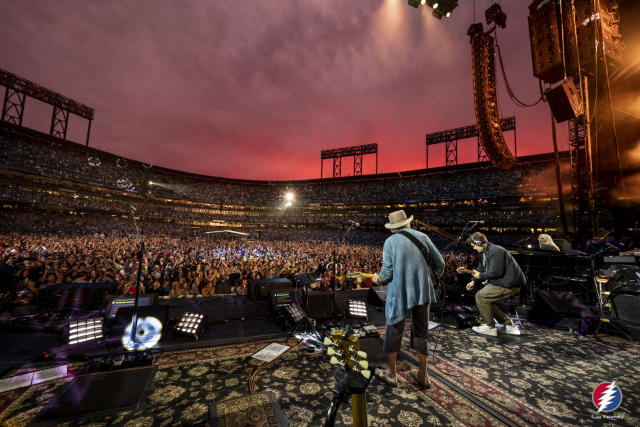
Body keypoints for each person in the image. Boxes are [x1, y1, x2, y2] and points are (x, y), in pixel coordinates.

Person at [373, 210, 444, 389]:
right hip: (422, 290)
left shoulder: (390, 242)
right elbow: (440, 265)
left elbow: (387, 272)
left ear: (393, 228)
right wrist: (425, 279)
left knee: (394, 328)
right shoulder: (423, 237)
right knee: (421, 331)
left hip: (399, 291)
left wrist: (378, 279)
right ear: (407, 223)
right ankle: (423, 375)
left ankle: (392, 375)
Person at [465, 232, 526, 336]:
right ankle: (510, 326)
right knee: (486, 300)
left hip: (510, 283)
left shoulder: (496, 250)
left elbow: (496, 272)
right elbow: (481, 266)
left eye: (474, 246)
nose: (474, 248)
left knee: (480, 297)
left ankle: (490, 327)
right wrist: (473, 281)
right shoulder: (484, 251)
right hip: (503, 282)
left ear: (479, 243)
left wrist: (480, 276)